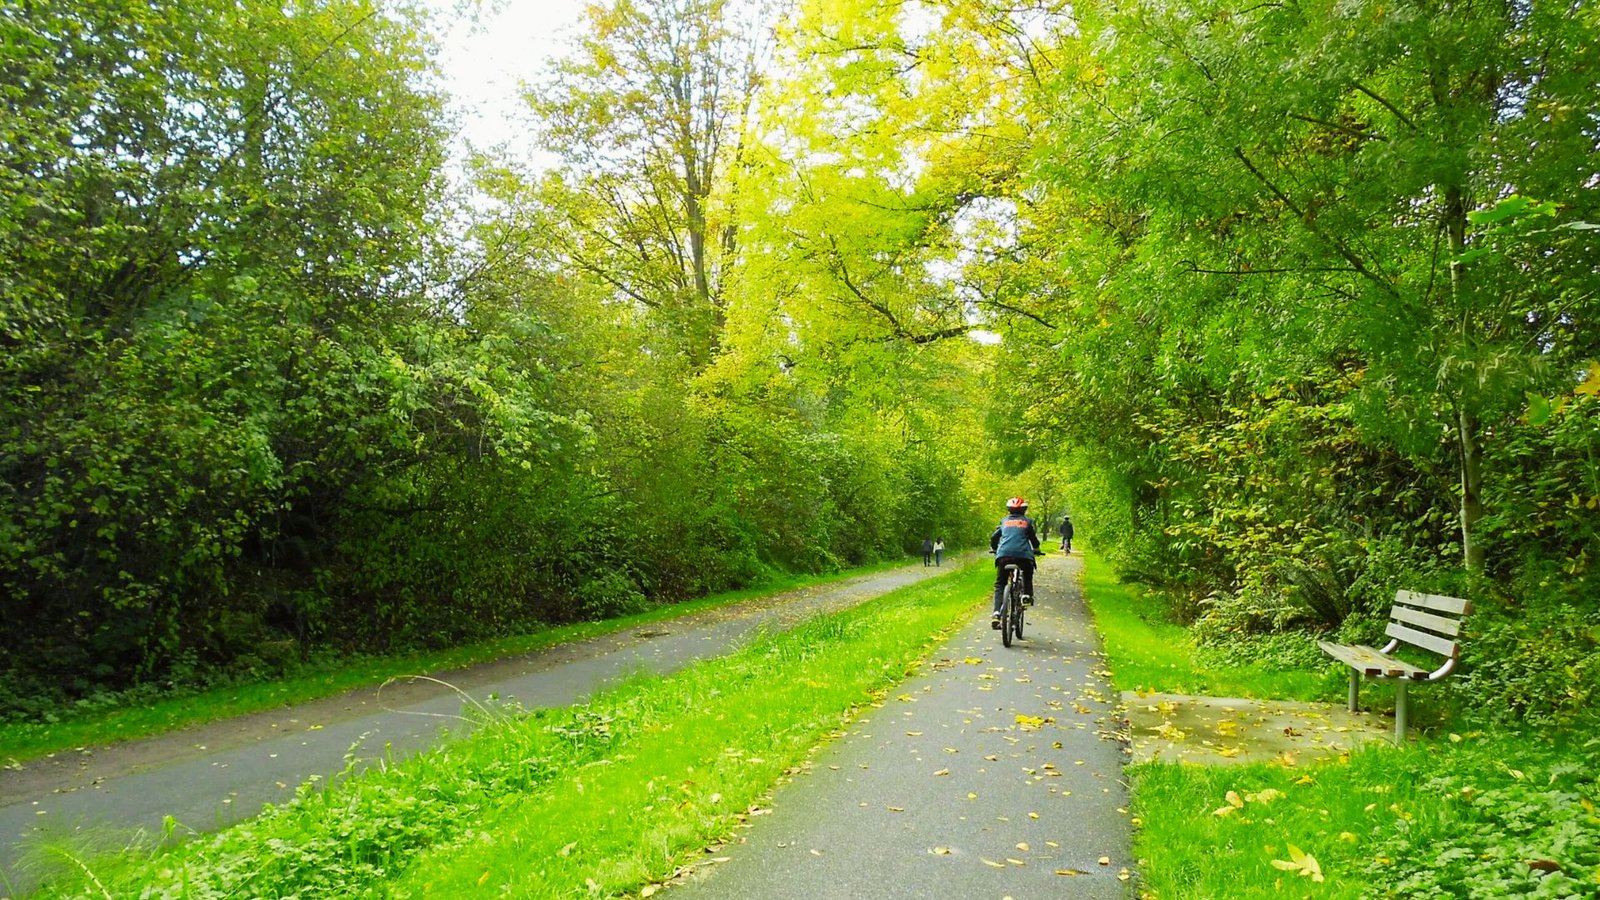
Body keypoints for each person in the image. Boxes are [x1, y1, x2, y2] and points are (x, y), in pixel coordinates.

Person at [989, 497, 1040, 627]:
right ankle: (1026, 596)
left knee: (1000, 584)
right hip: (1023, 556)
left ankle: (996, 613)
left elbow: (994, 537)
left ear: (1009, 510)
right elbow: (1033, 539)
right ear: (1024, 510)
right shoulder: (1027, 522)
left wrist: (995, 549)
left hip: (1003, 556)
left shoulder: (1004, 521)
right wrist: (1036, 549)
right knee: (1027, 576)